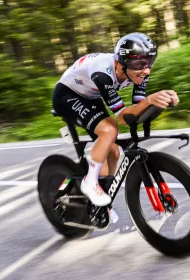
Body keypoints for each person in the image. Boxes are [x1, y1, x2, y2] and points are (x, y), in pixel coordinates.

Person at [52, 33, 179, 221]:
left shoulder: (138, 71)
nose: (146, 71)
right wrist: (150, 101)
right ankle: (90, 182)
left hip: (90, 96)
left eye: (149, 62)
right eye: (140, 65)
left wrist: (161, 101)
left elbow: (137, 107)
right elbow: (122, 117)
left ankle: (100, 202)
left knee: (113, 152)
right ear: (121, 63)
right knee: (110, 129)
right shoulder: (103, 74)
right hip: (67, 95)